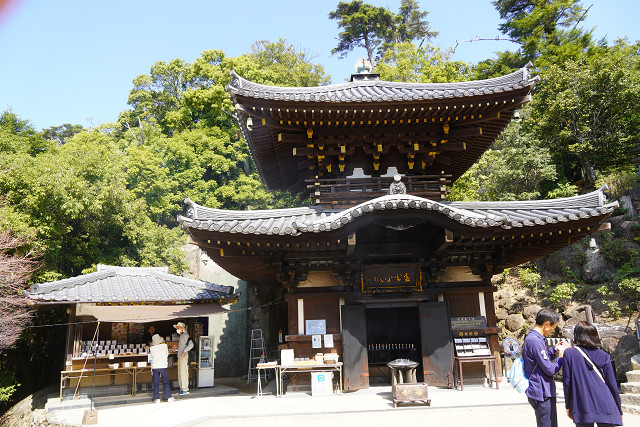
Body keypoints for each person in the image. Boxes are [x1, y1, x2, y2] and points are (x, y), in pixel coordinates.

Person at [562, 321, 623, 426]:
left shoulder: (569, 353)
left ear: (577, 335)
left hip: (583, 405)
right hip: (606, 404)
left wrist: (568, 405)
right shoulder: (604, 356)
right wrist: (618, 409)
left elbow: (567, 382)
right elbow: (612, 385)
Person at [524, 307, 570, 427]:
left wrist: (554, 350)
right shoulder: (535, 341)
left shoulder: (534, 339)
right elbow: (549, 369)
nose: (552, 331)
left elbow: (540, 361)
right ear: (546, 324)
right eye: (553, 327)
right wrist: (561, 357)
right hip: (542, 391)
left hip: (541, 390)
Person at [149, 334, 174, 403]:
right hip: (163, 365)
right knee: (165, 381)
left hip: (155, 366)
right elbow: (167, 354)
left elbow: (151, 358)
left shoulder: (151, 348)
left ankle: (156, 398)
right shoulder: (164, 346)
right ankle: (168, 397)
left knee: (156, 382)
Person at [174, 321, 193, 395]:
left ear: (182, 328)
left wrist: (184, 351)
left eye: (178, 328)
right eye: (177, 328)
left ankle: (185, 389)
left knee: (183, 373)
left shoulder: (185, 335)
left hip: (183, 357)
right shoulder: (182, 336)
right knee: (180, 373)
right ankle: (182, 388)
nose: (177, 329)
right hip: (180, 356)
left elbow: (191, 345)